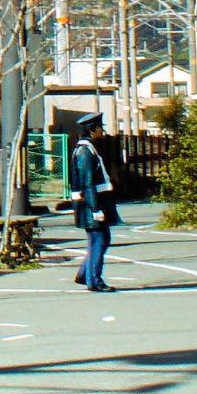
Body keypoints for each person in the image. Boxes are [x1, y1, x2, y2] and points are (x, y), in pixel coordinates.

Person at [70, 121, 119, 293]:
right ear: (91, 130)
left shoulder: (89, 148)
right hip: (91, 205)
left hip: (94, 202)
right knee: (98, 241)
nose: (102, 131)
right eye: (99, 128)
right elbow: (87, 182)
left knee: (101, 239)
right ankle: (94, 280)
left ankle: (85, 274)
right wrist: (95, 208)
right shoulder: (85, 151)